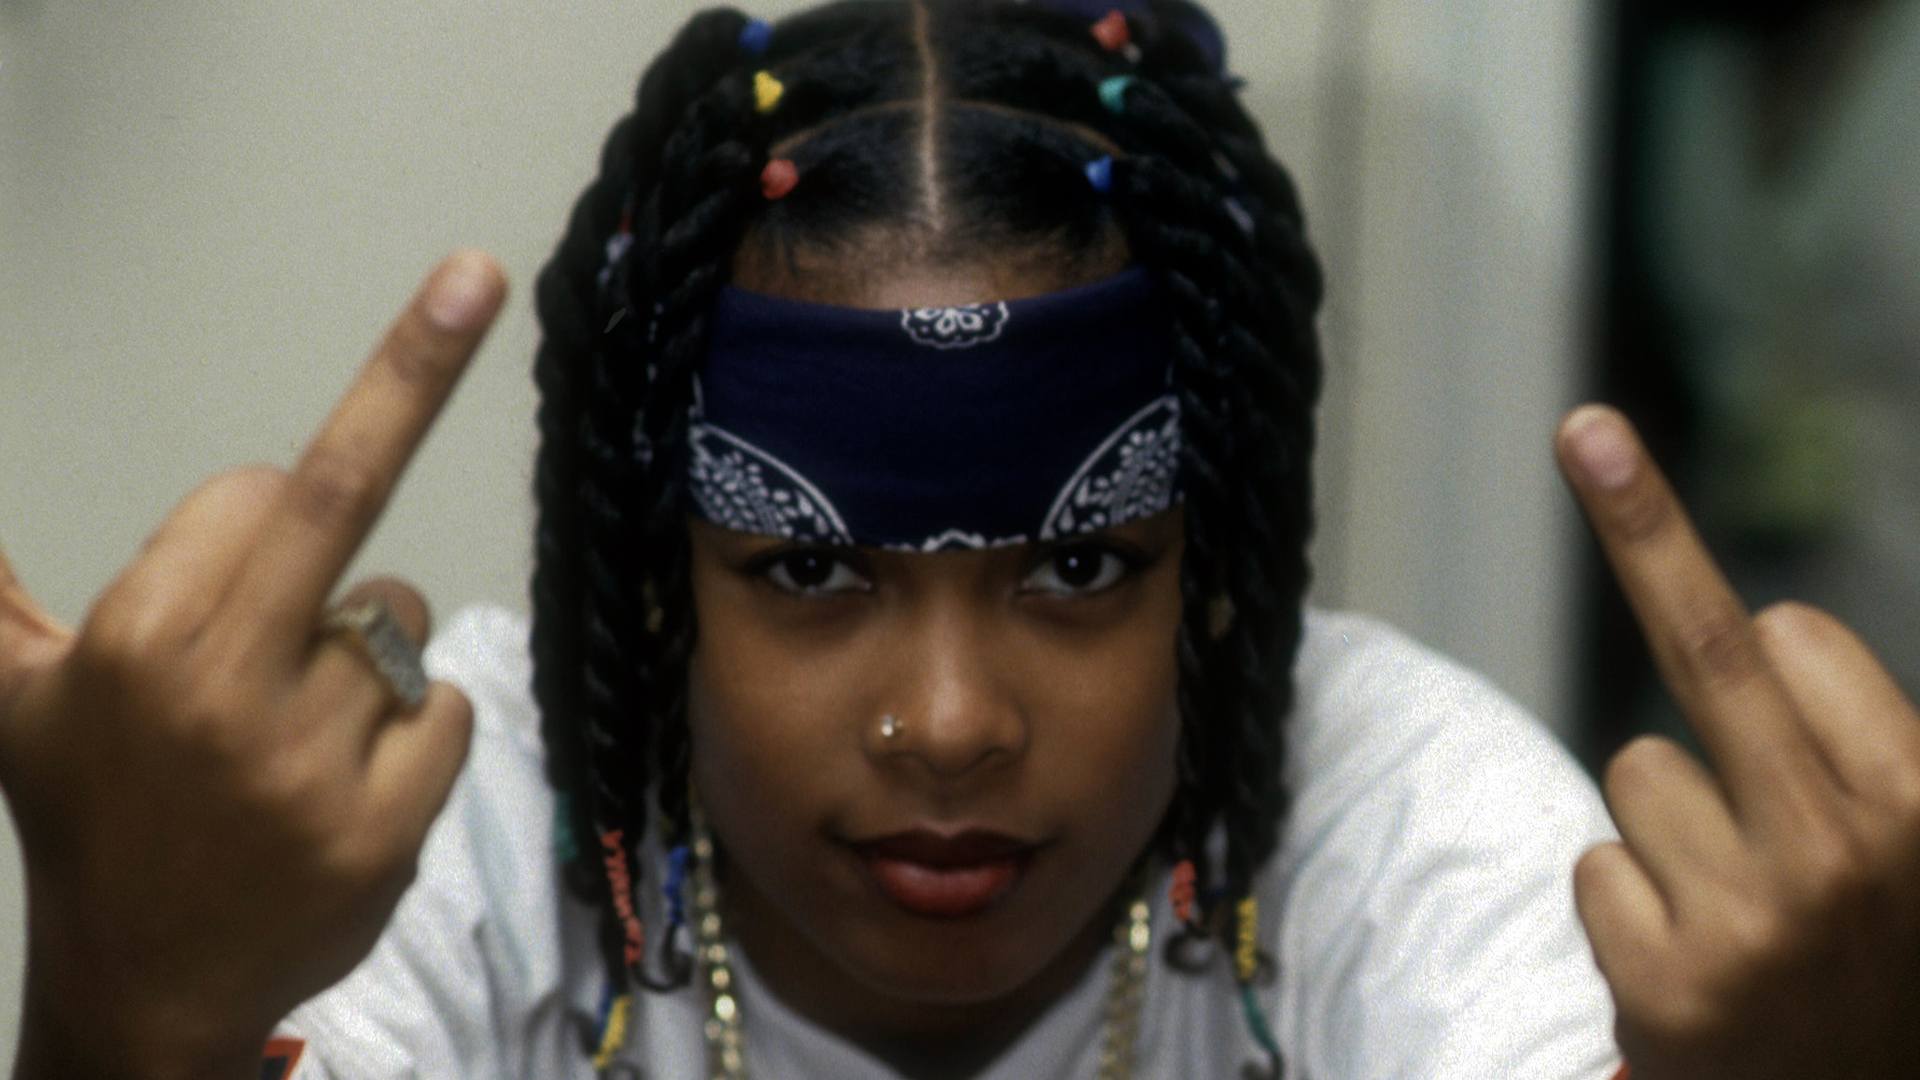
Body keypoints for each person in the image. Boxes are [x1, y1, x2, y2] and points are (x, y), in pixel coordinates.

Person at [2, 2, 1917, 1078]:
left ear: (1219, 567)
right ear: (658, 573)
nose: (949, 721)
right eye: (810, 567)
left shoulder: (1386, 817)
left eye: (1082, 565)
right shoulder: (474, 826)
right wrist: (118, 1014)